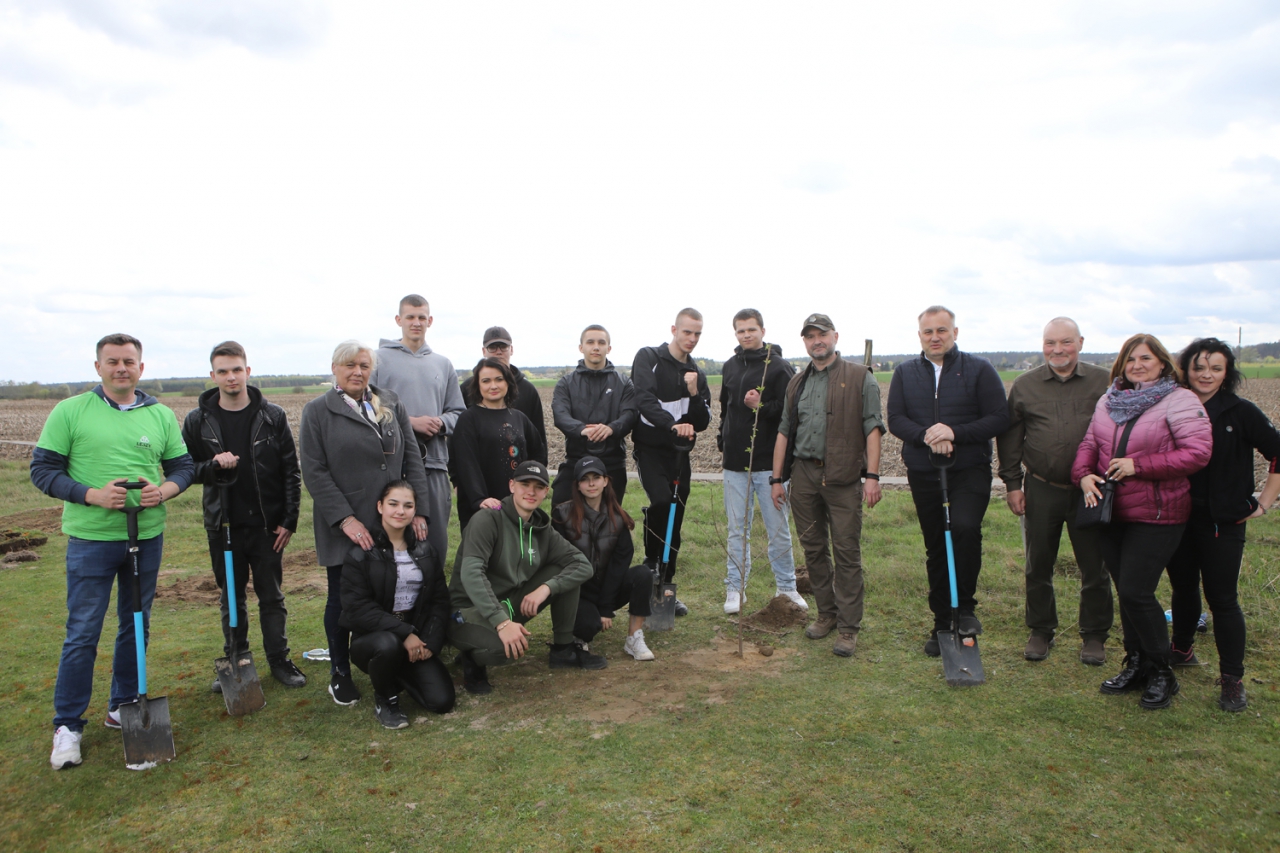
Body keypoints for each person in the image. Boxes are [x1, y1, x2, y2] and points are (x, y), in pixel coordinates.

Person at [31, 333, 195, 770]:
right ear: (98, 366)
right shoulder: (70, 411)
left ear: (141, 367)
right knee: (83, 631)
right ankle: (68, 725)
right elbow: (43, 470)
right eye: (113, 361)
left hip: (146, 536)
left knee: (135, 624)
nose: (121, 368)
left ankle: (122, 704)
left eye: (129, 361)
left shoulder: (159, 414)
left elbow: (183, 467)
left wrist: (166, 489)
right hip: (91, 539)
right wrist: (91, 495)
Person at [1072, 333, 1211, 710]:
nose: (1137, 366)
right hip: (1112, 511)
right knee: (1127, 593)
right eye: (1131, 359)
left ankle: (1162, 671)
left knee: (1136, 591)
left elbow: (1198, 452)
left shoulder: (1179, 400)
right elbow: (1091, 442)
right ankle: (1136, 663)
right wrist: (1083, 474)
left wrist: (1139, 466)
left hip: (1158, 513)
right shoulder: (1109, 400)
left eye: (1145, 359)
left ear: (1163, 363)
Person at [300, 341, 433, 708]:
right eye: (349, 365)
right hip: (346, 523)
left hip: (391, 519)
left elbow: (413, 459)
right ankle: (340, 671)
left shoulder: (390, 402)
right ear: (334, 368)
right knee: (342, 599)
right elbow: (314, 470)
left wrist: (417, 509)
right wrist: (345, 519)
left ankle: (396, 657)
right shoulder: (317, 412)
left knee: (393, 590)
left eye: (363, 365)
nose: (357, 371)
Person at [182, 341, 306, 694]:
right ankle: (237, 659)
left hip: (267, 525)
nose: (231, 376)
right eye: (223, 371)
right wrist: (212, 466)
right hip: (223, 526)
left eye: (237, 369)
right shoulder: (198, 420)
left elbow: (289, 472)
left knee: (272, 596)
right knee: (230, 597)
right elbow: (183, 470)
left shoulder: (272, 416)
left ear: (248, 371)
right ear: (213, 376)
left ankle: (279, 660)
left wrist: (289, 519)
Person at [887, 306, 1009, 657]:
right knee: (937, 545)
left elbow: (999, 417)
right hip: (925, 471)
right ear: (920, 336)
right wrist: (928, 434)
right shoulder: (905, 373)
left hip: (968, 468)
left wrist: (956, 432)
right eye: (928, 332)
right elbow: (896, 418)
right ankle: (942, 621)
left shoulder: (979, 370)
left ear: (955, 332)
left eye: (942, 330)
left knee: (965, 529)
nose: (935, 337)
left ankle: (966, 610)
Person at [1165, 338, 1280, 711]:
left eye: (1215, 368)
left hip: (1223, 522)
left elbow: (1277, 454)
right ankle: (1181, 649)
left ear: (1227, 371)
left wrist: (1263, 503)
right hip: (1178, 516)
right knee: (1182, 587)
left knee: (1223, 599)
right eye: (1199, 367)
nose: (1206, 375)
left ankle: (1232, 679)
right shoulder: (1173, 406)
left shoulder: (1241, 412)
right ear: (1186, 370)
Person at [997, 318, 1113, 665]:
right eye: (1050, 343)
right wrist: (1013, 485)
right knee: (1038, 562)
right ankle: (1040, 629)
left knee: (1095, 565)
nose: (1057, 350)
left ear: (1080, 342)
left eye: (1065, 342)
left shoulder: (1104, 382)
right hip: (1042, 488)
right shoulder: (1026, 385)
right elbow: (1010, 440)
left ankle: (1094, 635)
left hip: (1091, 491)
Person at [770, 314, 884, 658]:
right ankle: (827, 614)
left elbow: (873, 429)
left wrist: (873, 477)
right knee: (814, 550)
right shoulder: (797, 383)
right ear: (804, 341)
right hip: (803, 477)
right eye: (810, 336)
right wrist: (777, 479)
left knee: (847, 553)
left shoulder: (860, 377)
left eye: (822, 334)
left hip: (844, 476)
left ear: (835, 336)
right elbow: (784, 432)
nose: (816, 341)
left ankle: (849, 628)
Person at [448, 461, 600, 694]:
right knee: (505, 651)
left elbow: (582, 565)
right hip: (469, 610)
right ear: (511, 485)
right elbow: (472, 574)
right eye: (524, 484)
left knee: (565, 573)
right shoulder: (487, 519)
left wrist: (546, 588)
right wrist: (502, 622)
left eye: (538, 487)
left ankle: (563, 648)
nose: (531, 491)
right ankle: (472, 658)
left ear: (545, 492)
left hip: (509, 603)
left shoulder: (543, 529)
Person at [341, 480, 456, 729]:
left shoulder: (426, 550)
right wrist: (405, 633)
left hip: (416, 638)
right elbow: (357, 608)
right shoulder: (361, 554)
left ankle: (395, 674)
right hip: (374, 641)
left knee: (442, 701)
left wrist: (431, 642)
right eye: (393, 504)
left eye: (408, 505)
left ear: (415, 511)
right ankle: (386, 699)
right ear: (380, 506)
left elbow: (439, 600)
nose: (400, 511)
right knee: (388, 644)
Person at [370, 294, 467, 564]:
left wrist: (439, 424)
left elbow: (458, 413)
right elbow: (368, 409)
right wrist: (410, 423)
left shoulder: (443, 364)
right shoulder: (377, 360)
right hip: (392, 464)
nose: (416, 323)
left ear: (430, 321)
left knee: (433, 542)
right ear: (399, 320)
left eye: (422, 317)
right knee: (392, 540)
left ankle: (433, 603)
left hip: (434, 464)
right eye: (410, 317)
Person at [630, 308, 711, 615]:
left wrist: (692, 392)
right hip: (650, 450)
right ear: (674, 329)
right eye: (687, 332)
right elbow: (644, 400)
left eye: (697, 334)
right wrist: (671, 424)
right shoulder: (648, 357)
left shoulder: (697, 375)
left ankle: (665, 588)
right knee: (662, 502)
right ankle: (651, 560)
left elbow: (702, 420)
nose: (692, 339)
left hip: (680, 455)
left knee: (675, 520)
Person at [719, 308, 800, 615]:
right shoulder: (730, 366)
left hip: (769, 463)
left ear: (763, 331)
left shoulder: (778, 367)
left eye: (751, 329)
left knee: (777, 527)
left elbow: (789, 413)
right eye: (741, 331)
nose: (746, 335)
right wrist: (722, 441)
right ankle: (735, 589)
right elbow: (725, 409)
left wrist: (760, 405)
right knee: (736, 529)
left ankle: (787, 587)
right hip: (734, 464)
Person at [552, 456, 655, 661]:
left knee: (643, 574)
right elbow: (559, 562)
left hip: (608, 587)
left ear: (605, 481)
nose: (591, 484)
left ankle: (634, 637)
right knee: (588, 625)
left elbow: (619, 567)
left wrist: (606, 607)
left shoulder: (619, 518)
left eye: (596, 477)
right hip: (578, 592)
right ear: (578, 485)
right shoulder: (562, 515)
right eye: (585, 479)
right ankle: (578, 635)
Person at [450, 359, 548, 530]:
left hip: (516, 505)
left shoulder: (519, 418)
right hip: (483, 506)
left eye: (499, 379)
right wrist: (479, 499)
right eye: (486, 381)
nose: (493, 386)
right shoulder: (469, 419)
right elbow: (466, 463)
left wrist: (530, 486)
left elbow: (538, 452)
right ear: (477, 386)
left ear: (508, 383)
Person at [550, 324, 638, 506]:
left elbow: (630, 414)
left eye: (601, 342)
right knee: (561, 511)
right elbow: (560, 415)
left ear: (609, 348)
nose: (596, 347)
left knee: (610, 519)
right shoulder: (565, 383)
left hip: (612, 461)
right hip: (576, 458)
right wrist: (582, 430)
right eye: (590, 342)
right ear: (581, 347)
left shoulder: (624, 383)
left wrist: (611, 429)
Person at [461, 326, 548, 452]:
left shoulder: (528, 390)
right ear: (484, 351)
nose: (498, 351)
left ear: (511, 349)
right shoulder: (467, 388)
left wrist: (536, 468)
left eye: (503, 346)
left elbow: (538, 437)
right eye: (492, 347)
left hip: (520, 466)